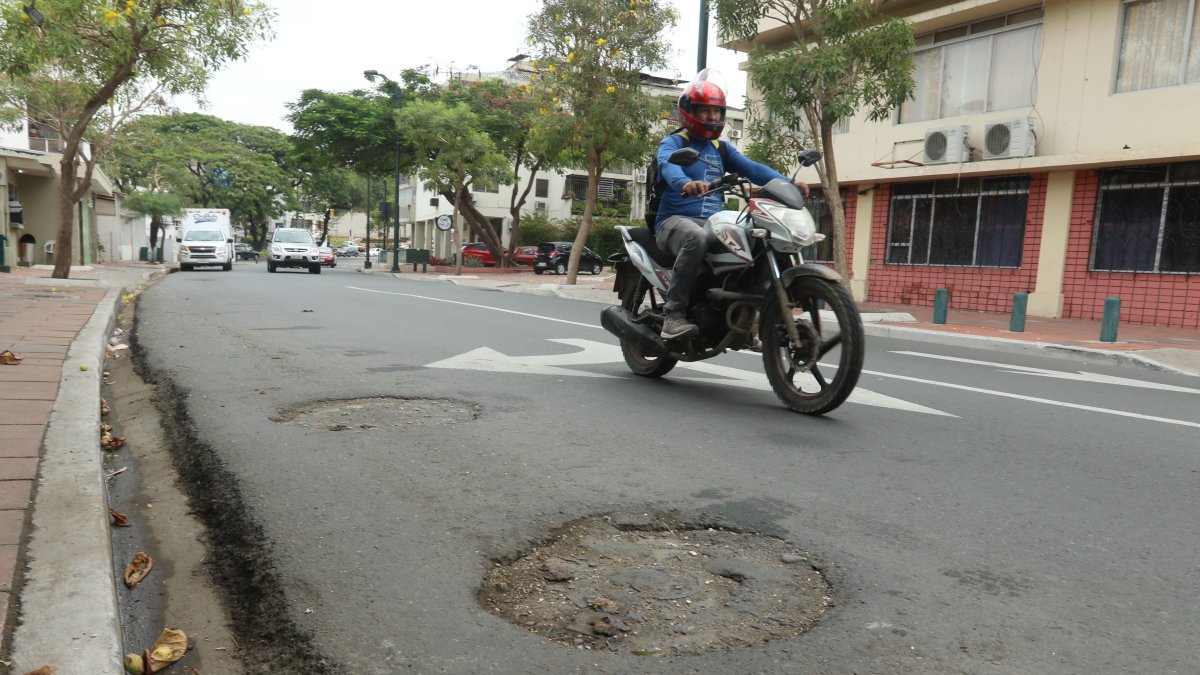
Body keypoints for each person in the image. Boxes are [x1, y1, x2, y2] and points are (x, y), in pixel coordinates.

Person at [653, 69, 809, 340]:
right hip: (672, 223)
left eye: (717, 112)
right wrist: (685, 183)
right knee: (695, 237)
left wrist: (788, 183)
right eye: (706, 111)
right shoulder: (674, 142)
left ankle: (749, 312)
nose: (713, 118)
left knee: (757, 237)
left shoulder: (721, 149)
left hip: (712, 222)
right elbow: (668, 166)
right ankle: (673, 315)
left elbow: (754, 169)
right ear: (690, 112)